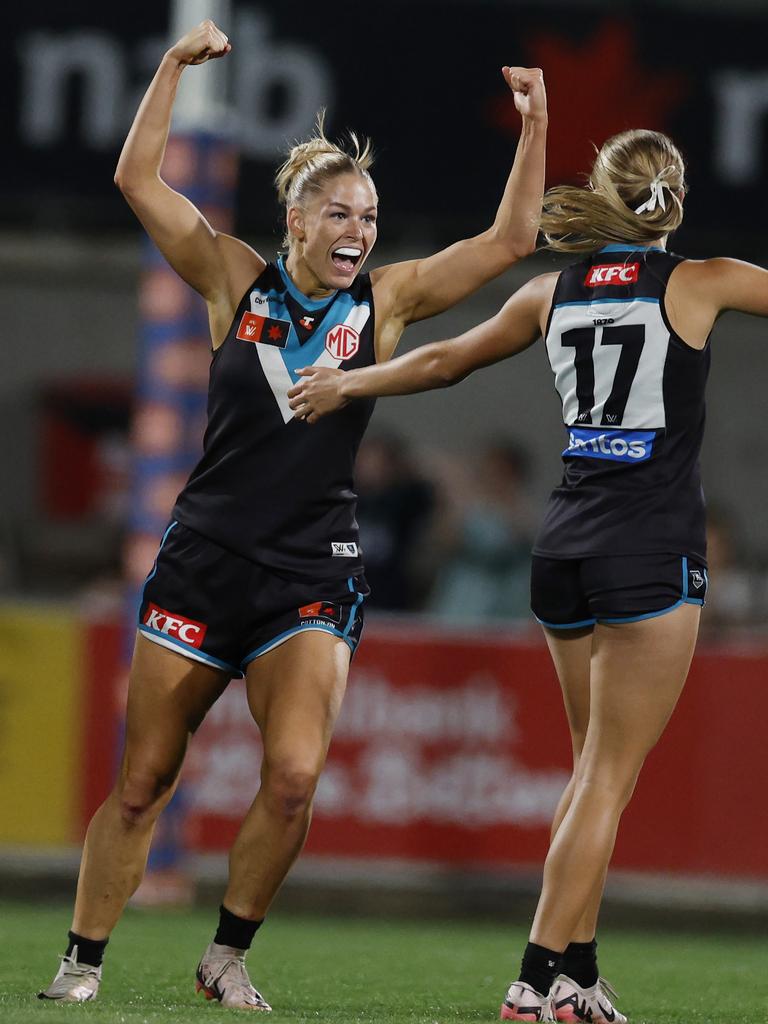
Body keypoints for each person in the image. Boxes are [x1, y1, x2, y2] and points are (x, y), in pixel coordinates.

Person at [38, 18, 548, 1011]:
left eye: (369, 214)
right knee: (142, 780)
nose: (359, 230)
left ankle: (227, 953)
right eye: (341, 213)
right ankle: (83, 959)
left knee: (293, 777)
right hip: (203, 561)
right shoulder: (233, 276)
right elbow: (137, 182)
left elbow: (510, 242)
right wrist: (176, 66)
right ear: (298, 221)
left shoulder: (386, 306)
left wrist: (535, 126)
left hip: (311, 571)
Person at [288, 127, 768, 1023]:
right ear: (675, 198)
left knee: (589, 774)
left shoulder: (554, 291)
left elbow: (443, 363)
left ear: (606, 191)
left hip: (564, 549)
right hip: (649, 546)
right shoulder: (706, 282)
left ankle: (578, 979)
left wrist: (349, 385)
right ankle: (535, 980)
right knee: (606, 781)